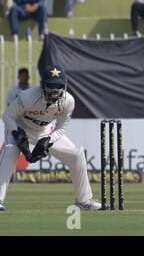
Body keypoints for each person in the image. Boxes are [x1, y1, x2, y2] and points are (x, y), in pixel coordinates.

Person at [0, 65, 104, 212]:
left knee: (77, 155)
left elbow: (61, 127)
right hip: (20, 128)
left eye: (59, 86)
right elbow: (8, 116)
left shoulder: (69, 101)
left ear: (65, 85)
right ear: (43, 85)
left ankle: (84, 201)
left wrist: (48, 140)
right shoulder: (27, 97)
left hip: (45, 131)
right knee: (10, 151)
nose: (55, 91)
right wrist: (17, 133)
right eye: (51, 86)